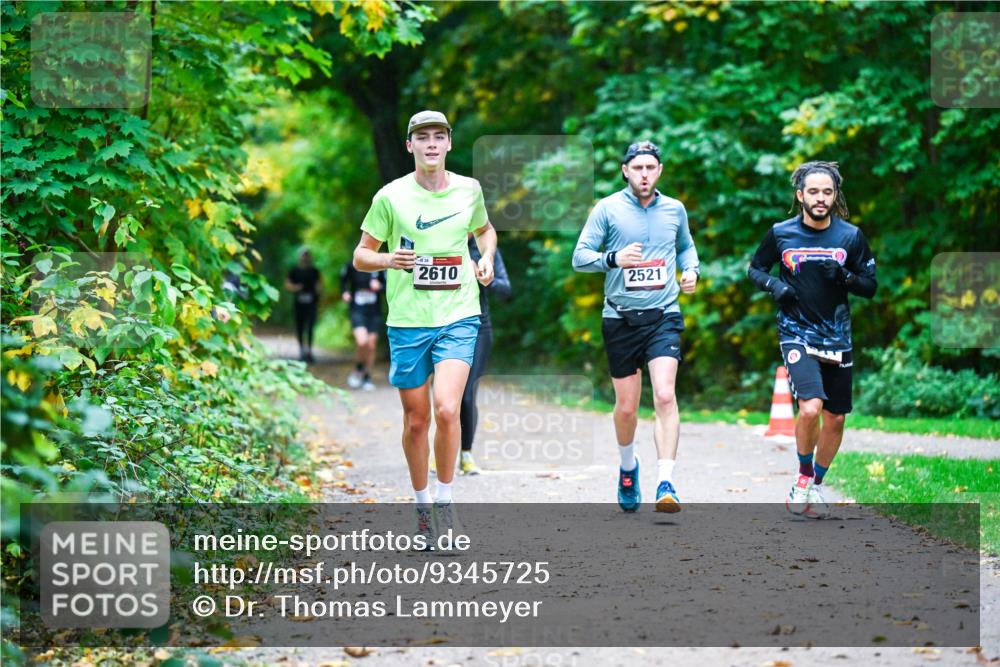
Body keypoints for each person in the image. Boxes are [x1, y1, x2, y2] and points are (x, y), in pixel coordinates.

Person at [352, 110, 497, 544]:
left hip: (458, 313)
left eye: (439, 137)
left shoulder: (469, 190)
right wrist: (387, 259)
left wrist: (485, 258)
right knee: (416, 422)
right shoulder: (390, 197)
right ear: (409, 145)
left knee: (447, 409)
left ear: (449, 143)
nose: (431, 144)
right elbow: (361, 256)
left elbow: (486, 231)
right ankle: (420, 505)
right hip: (408, 321)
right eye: (422, 137)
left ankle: (446, 505)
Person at [572, 141, 699, 514]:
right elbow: (579, 257)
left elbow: (687, 247)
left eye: (651, 167)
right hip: (620, 317)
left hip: (664, 314)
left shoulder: (674, 209)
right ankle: (628, 468)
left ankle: (666, 481)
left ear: (659, 171)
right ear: (625, 170)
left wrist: (690, 270)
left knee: (663, 395)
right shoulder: (607, 209)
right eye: (637, 167)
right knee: (626, 408)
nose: (645, 173)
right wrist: (614, 259)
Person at [747, 161, 877, 518]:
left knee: (835, 418)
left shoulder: (850, 237)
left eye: (828, 192)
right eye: (814, 192)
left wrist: (847, 277)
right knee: (810, 407)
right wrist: (775, 286)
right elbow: (755, 268)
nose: (821, 199)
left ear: (835, 196)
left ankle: (816, 484)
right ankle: (802, 477)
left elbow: (870, 287)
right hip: (796, 332)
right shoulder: (781, 233)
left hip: (837, 335)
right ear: (800, 195)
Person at [458, 236, 511, 474]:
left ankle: (466, 453)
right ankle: (442, 449)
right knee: (445, 398)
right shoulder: (442, 240)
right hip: (442, 326)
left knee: (467, 395)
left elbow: (506, 289)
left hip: (479, 327)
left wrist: (483, 277)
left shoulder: (485, 249)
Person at [340, 262, 386, 391]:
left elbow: (388, 287)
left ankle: (367, 377)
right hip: (357, 310)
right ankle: (359, 367)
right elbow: (343, 279)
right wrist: (345, 292)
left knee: (371, 345)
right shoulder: (353, 264)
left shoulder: (380, 265)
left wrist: (380, 286)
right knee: (362, 341)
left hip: (374, 311)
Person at [285, 249, 321, 362]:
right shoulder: (294, 271)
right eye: (303, 256)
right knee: (300, 327)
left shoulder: (314, 271)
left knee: (310, 327)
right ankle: (302, 351)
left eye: (307, 256)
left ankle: (309, 351)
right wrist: (296, 288)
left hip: (311, 304)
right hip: (299, 304)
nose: (305, 258)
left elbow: (319, 285)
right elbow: (287, 284)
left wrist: (318, 293)